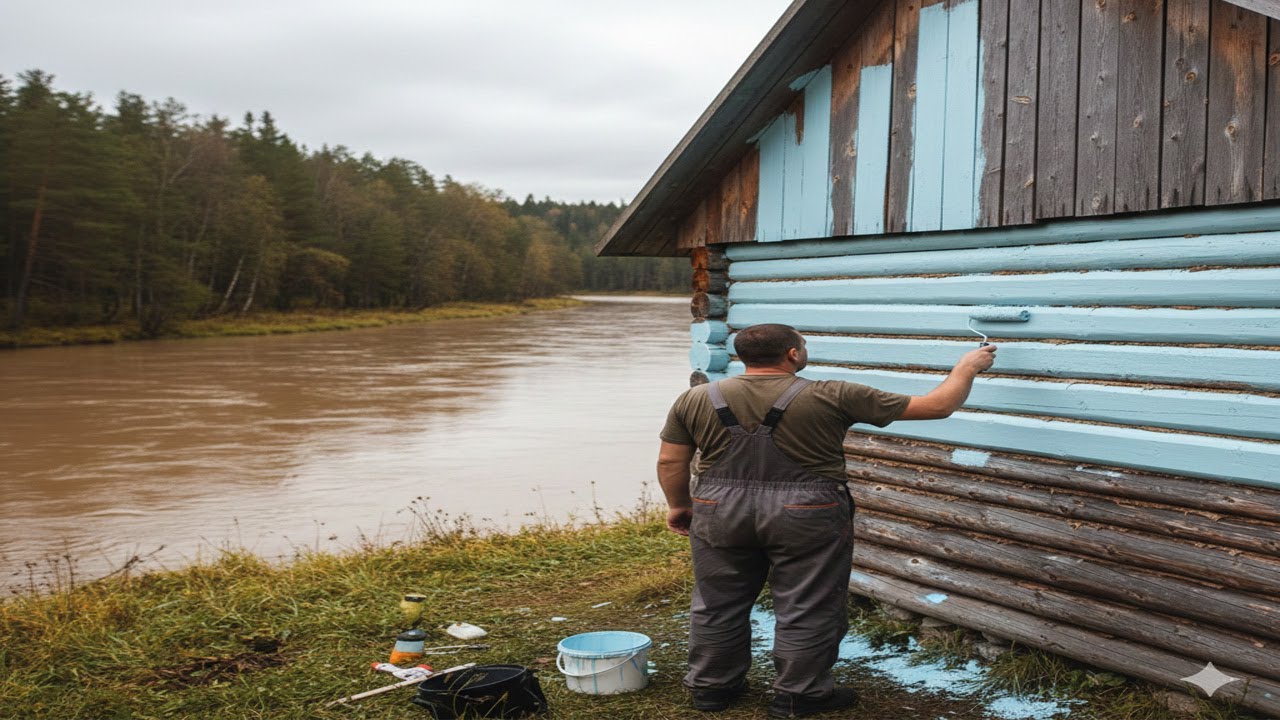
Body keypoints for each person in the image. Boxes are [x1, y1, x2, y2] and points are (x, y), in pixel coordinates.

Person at [658, 323, 996, 718]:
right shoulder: (834, 394)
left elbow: (670, 460)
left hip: (718, 508)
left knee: (717, 604)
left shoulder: (695, 398)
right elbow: (937, 406)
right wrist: (968, 366)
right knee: (807, 602)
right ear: (792, 355)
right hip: (807, 512)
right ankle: (799, 695)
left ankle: (711, 689)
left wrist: (678, 505)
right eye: (803, 345)